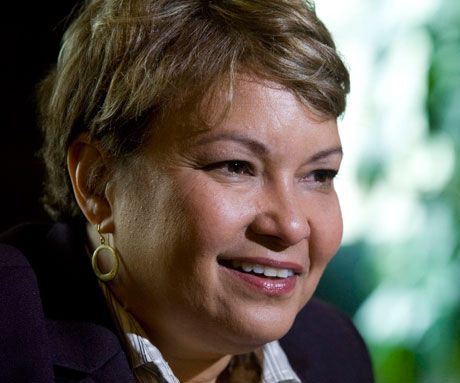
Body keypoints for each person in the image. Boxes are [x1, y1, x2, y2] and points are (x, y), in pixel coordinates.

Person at [0, 0, 374, 382]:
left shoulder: (336, 351)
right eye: (236, 166)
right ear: (97, 183)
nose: (292, 225)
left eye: (320, 174)